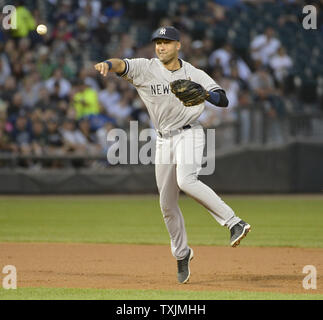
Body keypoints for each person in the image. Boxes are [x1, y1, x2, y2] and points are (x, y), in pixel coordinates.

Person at [94, 26, 251, 284]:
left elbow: (223, 100)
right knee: (167, 204)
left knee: (186, 180)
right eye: (158, 42)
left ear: (178, 45)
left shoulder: (193, 73)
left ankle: (234, 222)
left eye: (166, 42)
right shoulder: (146, 68)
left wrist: (206, 94)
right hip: (163, 139)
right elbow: (120, 63)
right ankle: (182, 254)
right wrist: (106, 64)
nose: (161, 47)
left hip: (190, 133)